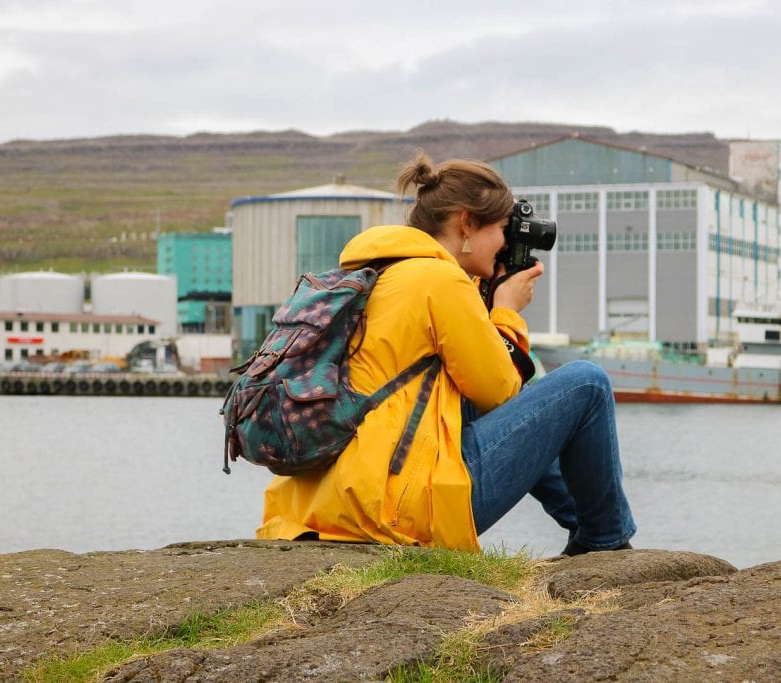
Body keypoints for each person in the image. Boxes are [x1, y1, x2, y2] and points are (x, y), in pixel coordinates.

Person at [256, 153, 635, 556]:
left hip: (323, 506)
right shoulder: (439, 279)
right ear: (467, 223)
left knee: (500, 402)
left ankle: (586, 527)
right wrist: (505, 312)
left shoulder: (375, 272)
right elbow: (500, 392)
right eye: (504, 230)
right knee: (586, 384)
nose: (507, 245)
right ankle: (604, 539)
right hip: (393, 509)